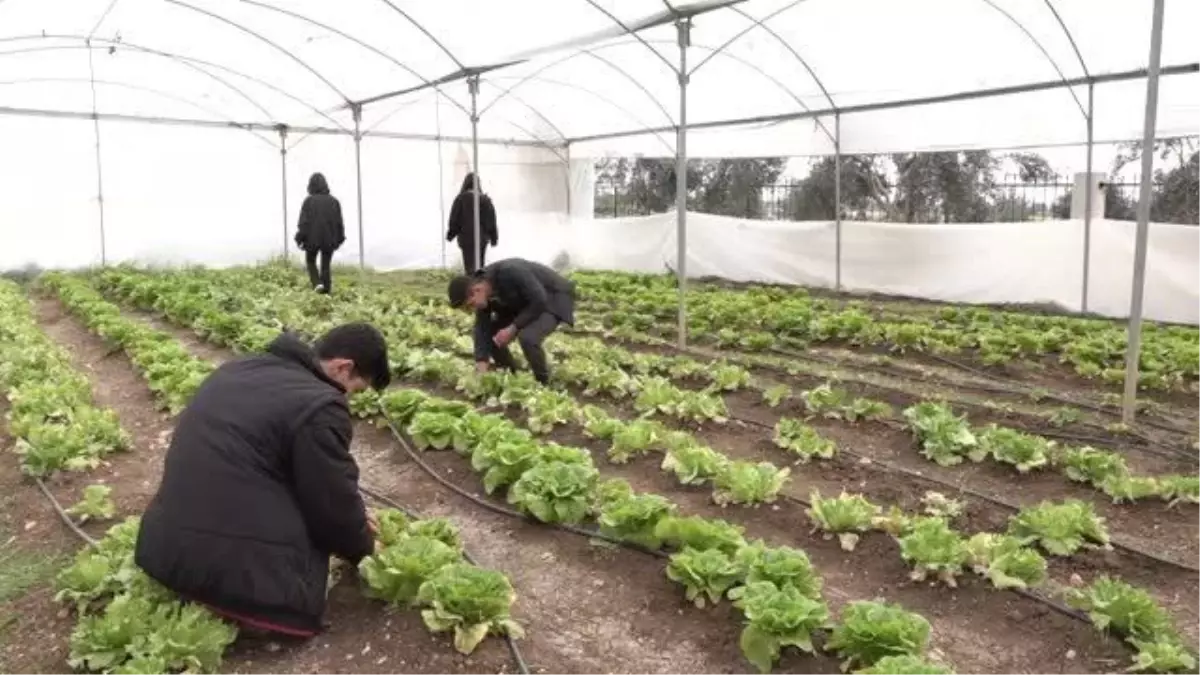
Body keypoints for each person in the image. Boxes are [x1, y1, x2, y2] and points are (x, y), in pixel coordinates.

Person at [134, 324, 391, 639]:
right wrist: (363, 545)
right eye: (357, 388)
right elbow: (331, 501)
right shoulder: (320, 404)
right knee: (311, 537)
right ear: (343, 367)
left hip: (165, 551)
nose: (350, 398)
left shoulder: (240, 367)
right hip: (241, 579)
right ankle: (248, 606)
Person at [447, 258, 575, 384]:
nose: (472, 309)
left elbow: (539, 299)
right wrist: (481, 364)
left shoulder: (510, 271)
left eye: (471, 305)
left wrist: (513, 328)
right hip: (523, 305)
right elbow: (482, 329)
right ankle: (509, 376)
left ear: (476, 290)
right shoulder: (483, 292)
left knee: (528, 337)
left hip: (552, 298)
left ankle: (543, 383)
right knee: (491, 335)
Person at [295, 172, 345, 294]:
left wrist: (299, 238)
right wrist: (339, 239)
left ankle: (317, 283)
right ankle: (326, 292)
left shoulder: (308, 201)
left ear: (311, 185)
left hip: (312, 239)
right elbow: (339, 223)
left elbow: (303, 223)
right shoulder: (334, 202)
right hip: (329, 240)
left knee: (310, 261)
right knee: (325, 266)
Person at [445, 172, 498, 273]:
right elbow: (491, 220)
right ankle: (479, 283)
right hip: (482, 238)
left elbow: (455, 219)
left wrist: (450, 235)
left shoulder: (460, 199)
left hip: (466, 238)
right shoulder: (485, 199)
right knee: (480, 263)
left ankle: (470, 283)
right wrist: (494, 238)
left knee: (469, 265)